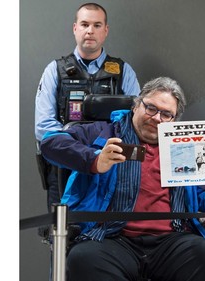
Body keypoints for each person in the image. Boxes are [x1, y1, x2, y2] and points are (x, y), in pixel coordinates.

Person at [40, 76, 205, 281]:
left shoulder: (188, 147)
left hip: (172, 240)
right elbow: (51, 143)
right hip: (111, 236)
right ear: (136, 105)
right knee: (83, 259)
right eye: (150, 108)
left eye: (166, 114)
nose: (156, 118)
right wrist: (95, 159)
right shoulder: (104, 133)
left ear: (173, 120)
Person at [34, 2, 141, 211]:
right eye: (84, 24)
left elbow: (136, 121)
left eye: (97, 25)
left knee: (108, 232)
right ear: (75, 28)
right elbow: (44, 127)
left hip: (112, 167)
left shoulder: (123, 71)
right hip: (65, 165)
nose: (90, 30)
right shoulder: (55, 70)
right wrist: (81, 154)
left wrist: (103, 154)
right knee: (63, 233)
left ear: (106, 30)